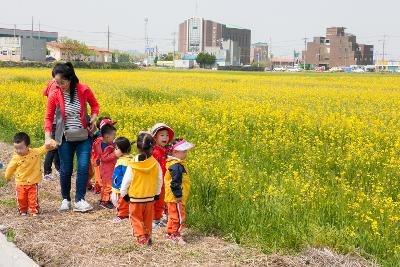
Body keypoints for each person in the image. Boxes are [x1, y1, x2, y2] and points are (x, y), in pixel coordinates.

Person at [44, 62, 99, 212]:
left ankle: (79, 200)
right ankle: (65, 199)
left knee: (82, 167)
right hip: (65, 137)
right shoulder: (55, 93)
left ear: (70, 78)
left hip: (84, 136)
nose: (60, 85)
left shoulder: (83, 89)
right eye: (57, 82)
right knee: (66, 169)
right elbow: (48, 117)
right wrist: (48, 137)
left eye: (62, 82)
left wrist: (93, 118)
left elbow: (95, 106)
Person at [120, 132, 162, 245]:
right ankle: (147, 235)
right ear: (152, 147)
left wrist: (124, 195)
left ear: (137, 148)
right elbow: (159, 180)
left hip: (135, 198)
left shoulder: (133, 163)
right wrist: (157, 194)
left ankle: (140, 237)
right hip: (149, 198)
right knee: (148, 219)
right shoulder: (155, 163)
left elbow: (126, 181)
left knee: (135, 218)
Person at [5, 132, 56, 216]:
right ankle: (23, 210)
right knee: (21, 198)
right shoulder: (16, 158)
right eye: (16, 148)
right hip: (20, 182)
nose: (18, 151)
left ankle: (34, 210)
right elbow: (10, 168)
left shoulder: (35, 152)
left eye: (21, 148)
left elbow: (45, 148)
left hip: (33, 182)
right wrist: (7, 176)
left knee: (33, 198)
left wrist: (53, 143)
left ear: (28, 146)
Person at [164, 138, 195, 245]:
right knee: (178, 216)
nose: (186, 153)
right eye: (184, 151)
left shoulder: (174, 163)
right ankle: (175, 235)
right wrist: (178, 195)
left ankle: (169, 233)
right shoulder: (176, 166)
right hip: (175, 197)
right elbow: (175, 182)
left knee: (172, 215)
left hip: (171, 196)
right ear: (175, 152)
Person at [150, 123, 174, 228]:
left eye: (167, 135)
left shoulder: (168, 150)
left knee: (165, 199)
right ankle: (155, 219)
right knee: (157, 200)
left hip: (166, 179)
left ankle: (162, 215)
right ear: (155, 137)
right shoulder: (154, 151)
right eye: (162, 135)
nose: (165, 137)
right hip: (157, 181)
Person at [95, 121, 118, 209]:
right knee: (108, 185)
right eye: (113, 136)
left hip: (107, 169)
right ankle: (105, 201)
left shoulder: (105, 143)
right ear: (107, 136)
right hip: (107, 170)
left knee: (106, 185)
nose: (114, 138)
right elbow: (105, 158)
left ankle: (103, 199)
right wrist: (116, 154)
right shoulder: (105, 146)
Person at [110, 137, 133, 223]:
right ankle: (125, 213)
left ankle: (122, 215)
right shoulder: (130, 159)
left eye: (116, 148)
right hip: (124, 187)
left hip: (120, 187)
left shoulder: (123, 161)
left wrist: (119, 186)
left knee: (121, 201)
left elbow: (123, 176)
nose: (114, 151)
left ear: (123, 149)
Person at [42, 77, 60, 181]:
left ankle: (58, 168)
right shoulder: (56, 84)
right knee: (53, 146)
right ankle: (47, 172)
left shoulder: (52, 82)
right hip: (55, 120)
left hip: (56, 120)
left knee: (58, 145)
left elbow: (45, 92)